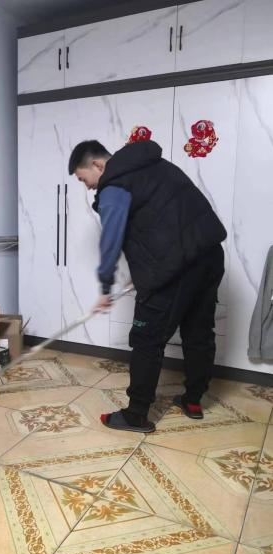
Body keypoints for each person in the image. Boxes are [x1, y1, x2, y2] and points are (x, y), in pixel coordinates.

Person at [68, 139, 226, 433]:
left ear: (97, 165)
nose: (87, 187)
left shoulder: (114, 184)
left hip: (174, 267)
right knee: (198, 331)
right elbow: (164, 221)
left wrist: (106, 286)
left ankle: (135, 415)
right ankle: (193, 400)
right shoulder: (155, 165)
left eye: (83, 178)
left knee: (146, 340)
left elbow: (111, 239)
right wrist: (143, 271)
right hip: (209, 255)